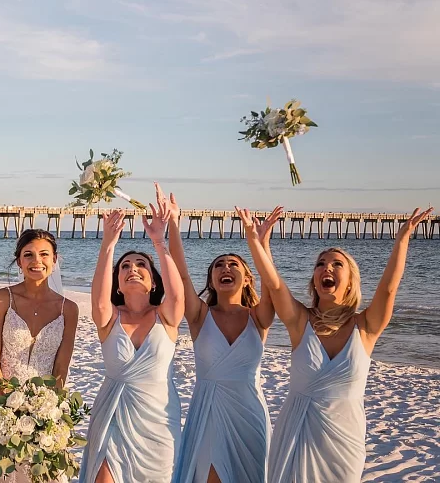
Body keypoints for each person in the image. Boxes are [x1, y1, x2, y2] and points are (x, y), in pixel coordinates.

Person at [237, 205, 433, 482]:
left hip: (344, 441)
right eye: (320, 264)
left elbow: (388, 288)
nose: (326, 268)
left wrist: (402, 241)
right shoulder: (299, 321)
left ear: (351, 282)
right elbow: (274, 284)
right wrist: (257, 242)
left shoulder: (366, 327)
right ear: (315, 282)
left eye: (336, 264)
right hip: (296, 433)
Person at [169, 188, 282, 482]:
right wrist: (173, 223)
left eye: (233, 264)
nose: (226, 268)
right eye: (219, 265)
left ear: (246, 278)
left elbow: (274, 286)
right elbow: (181, 275)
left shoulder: (259, 317)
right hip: (209, 410)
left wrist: (261, 242)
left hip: (250, 411)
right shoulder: (199, 316)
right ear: (212, 280)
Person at [79, 186, 186, 483]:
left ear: (154, 282)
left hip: (159, 418)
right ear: (117, 284)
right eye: (125, 267)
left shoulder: (166, 317)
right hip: (113, 413)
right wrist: (108, 245)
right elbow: (99, 301)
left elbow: (178, 297)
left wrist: (159, 243)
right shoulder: (108, 318)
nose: (133, 269)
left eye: (141, 265)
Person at [0, 229, 79, 482]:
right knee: (5, 473)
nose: (37, 261)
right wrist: (5, 405)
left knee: (46, 474)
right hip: (1, 399)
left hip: (45, 405)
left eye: (44, 254)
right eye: (29, 255)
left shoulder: (68, 308)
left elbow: (61, 368)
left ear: (55, 260)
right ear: (19, 261)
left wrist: (50, 410)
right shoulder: (2, 298)